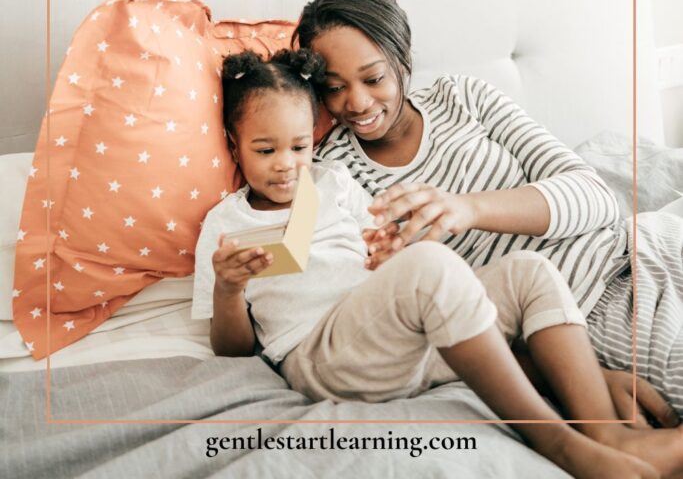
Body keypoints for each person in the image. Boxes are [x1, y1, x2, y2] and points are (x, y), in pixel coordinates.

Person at [192, 48, 683, 479]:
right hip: (321, 355)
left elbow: (390, 252)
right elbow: (231, 351)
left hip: (397, 339)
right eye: (265, 150)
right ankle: (558, 442)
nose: (286, 164)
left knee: (528, 271)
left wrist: (390, 249)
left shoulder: (333, 182)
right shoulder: (225, 223)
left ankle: (605, 433)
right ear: (235, 147)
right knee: (430, 266)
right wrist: (229, 289)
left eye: (299, 147)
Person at [293, 0, 683, 425]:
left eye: (373, 78)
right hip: (581, 311)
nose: (357, 102)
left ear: (403, 60)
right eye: (333, 86)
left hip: (644, 244)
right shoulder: (335, 175)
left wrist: (468, 208)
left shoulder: (462, 97)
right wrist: (574, 375)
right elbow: (427, 328)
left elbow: (596, 196)